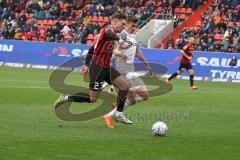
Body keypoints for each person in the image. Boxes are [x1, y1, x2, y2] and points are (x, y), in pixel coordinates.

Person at [54, 13, 132, 125]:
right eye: (122, 24)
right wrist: (120, 40)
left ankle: (118, 114)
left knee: (124, 86)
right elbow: (108, 32)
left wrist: (120, 54)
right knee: (93, 99)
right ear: (114, 22)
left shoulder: (112, 36)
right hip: (97, 68)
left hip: (107, 68)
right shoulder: (108, 30)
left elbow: (92, 49)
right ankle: (67, 98)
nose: (123, 27)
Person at [103, 15, 153, 128]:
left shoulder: (134, 37)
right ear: (126, 24)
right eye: (132, 25)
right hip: (122, 67)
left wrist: (147, 65)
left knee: (133, 100)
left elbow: (138, 53)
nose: (134, 28)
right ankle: (117, 111)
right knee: (145, 94)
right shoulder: (122, 35)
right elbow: (114, 49)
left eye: (135, 26)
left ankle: (111, 114)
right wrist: (120, 52)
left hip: (130, 68)